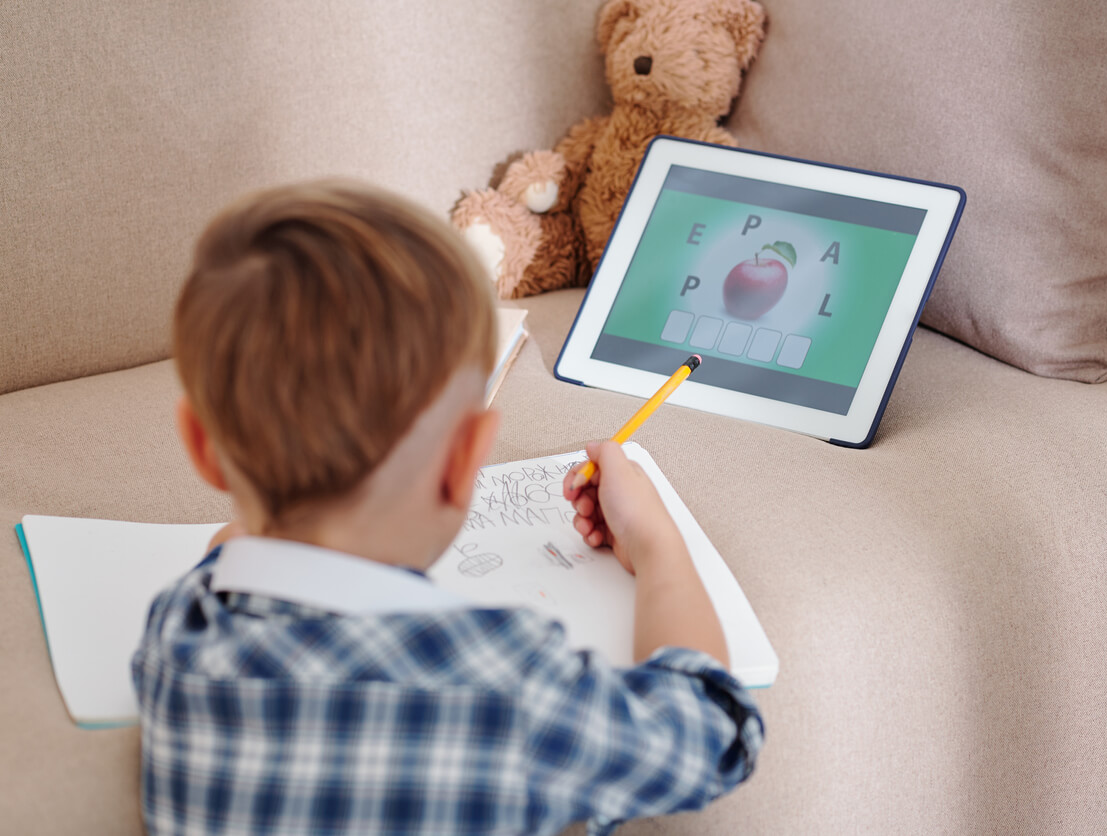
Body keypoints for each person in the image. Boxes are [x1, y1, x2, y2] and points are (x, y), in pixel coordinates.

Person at [131, 180, 763, 836]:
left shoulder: (180, 629)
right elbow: (711, 730)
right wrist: (658, 546)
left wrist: (271, 511)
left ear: (202, 448)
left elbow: (228, 549)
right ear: (466, 460)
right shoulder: (512, 684)